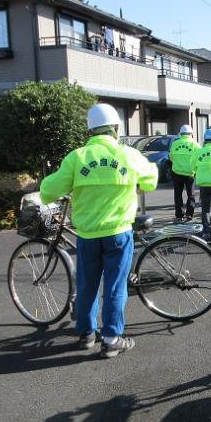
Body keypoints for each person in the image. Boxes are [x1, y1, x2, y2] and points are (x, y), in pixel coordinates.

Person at [40, 103, 158, 358]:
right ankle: (112, 338)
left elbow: (48, 191)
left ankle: (86, 334)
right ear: (116, 128)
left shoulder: (77, 157)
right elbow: (151, 180)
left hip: (87, 235)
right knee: (115, 287)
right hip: (118, 233)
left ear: (90, 131)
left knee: (87, 285)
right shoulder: (129, 155)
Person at [169, 125, 199, 222]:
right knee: (191, 194)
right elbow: (199, 158)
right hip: (190, 173)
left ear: (180, 134)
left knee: (178, 194)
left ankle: (179, 214)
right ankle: (189, 214)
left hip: (176, 172)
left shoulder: (175, 144)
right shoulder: (195, 145)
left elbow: (171, 157)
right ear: (191, 134)